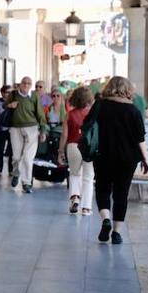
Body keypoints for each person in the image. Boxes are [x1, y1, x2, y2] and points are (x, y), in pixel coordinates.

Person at [89, 76, 148, 245]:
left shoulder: (100, 106)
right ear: (128, 90)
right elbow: (140, 138)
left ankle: (105, 219)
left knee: (102, 188)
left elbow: (87, 126)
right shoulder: (133, 111)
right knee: (121, 194)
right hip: (127, 158)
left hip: (103, 155)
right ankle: (116, 233)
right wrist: (145, 159)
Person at [6, 76, 47, 193]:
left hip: (32, 128)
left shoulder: (34, 96)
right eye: (24, 83)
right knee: (16, 157)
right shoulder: (13, 94)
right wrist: (10, 105)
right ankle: (15, 173)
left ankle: (26, 183)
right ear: (20, 84)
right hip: (15, 128)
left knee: (28, 158)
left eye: (29, 83)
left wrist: (43, 130)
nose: (26, 85)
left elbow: (40, 114)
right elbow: (4, 106)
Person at [59, 86, 95, 215]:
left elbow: (64, 135)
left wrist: (60, 151)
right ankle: (86, 208)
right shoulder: (92, 114)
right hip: (89, 147)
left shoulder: (69, 115)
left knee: (74, 174)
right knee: (88, 178)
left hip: (73, 146)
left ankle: (75, 197)